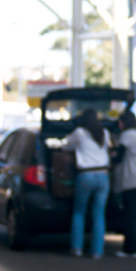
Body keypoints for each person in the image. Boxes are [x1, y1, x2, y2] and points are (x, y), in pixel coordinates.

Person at [60, 108, 111, 259]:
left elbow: (65, 146)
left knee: (79, 212)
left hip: (85, 175)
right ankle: (97, 251)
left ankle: (77, 248)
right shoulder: (104, 133)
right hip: (103, 176)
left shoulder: (79, 133)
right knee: (99, 214)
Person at [112, 110, 136, 257]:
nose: (119, 125)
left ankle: (130, 249)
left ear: (125, 122)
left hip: (132, 180)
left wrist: (113, 153)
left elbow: (118, 158)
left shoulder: (126, 135)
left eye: (120, 122)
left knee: (130, 216)